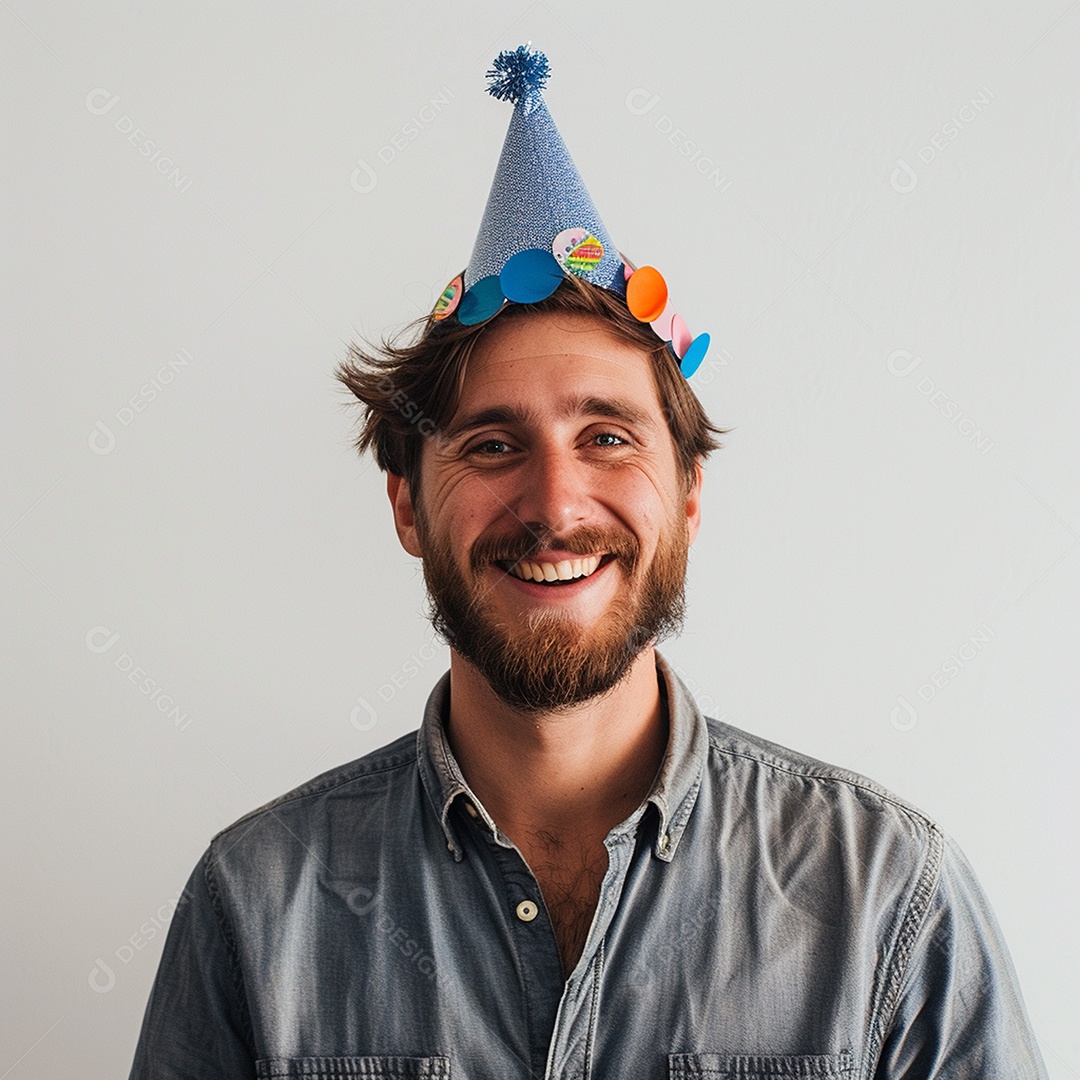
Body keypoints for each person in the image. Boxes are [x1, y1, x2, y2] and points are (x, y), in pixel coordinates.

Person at [129, 46, 1048, 1079]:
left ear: (689, 497)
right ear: (406, 507)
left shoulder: (889, 900)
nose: (556, 507)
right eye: (490, 445)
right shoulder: (256, 907)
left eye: (607, 437)